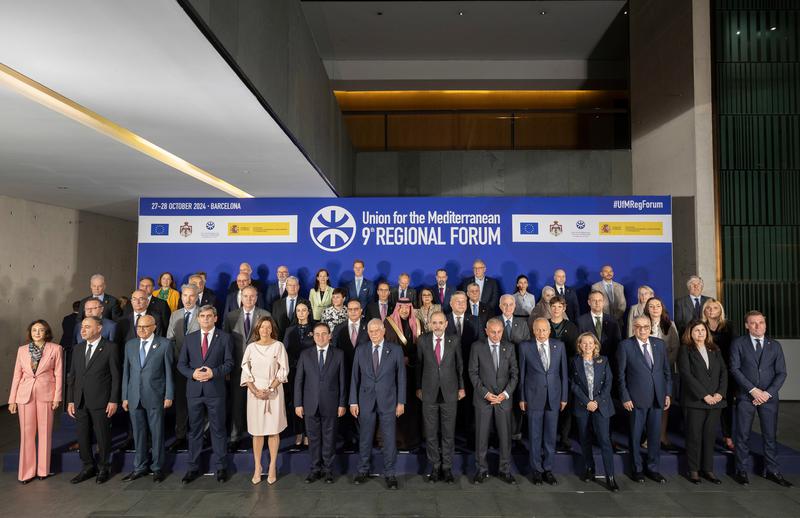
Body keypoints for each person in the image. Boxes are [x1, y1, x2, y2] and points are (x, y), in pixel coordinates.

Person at [730, 311, 791, 487]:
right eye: (753, 323)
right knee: (742, 435)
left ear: (765, 324)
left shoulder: (775, 345)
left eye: (761, 322)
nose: (758, 326)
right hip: (745, 396)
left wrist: (766, 393)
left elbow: (781, 373)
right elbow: (734, 369)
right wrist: (753, 390)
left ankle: (772, 470)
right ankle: (741, 470)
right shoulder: (739, 343)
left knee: (770, 435)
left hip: (768, 398)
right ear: (746, 325)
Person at [178, 305, 234, 484]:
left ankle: (221, 468)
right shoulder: (189, 338)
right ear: (198, 318)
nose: (206, 319)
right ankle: (192, 468)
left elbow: (229, 363)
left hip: (215, 391)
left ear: (215, 318)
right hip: (194, 391)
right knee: (194, 430)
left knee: (218, 429)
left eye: (209, 316)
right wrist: (193, 374)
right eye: (202, 316)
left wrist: (214, 372)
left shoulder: (224, 338)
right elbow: (181, 364)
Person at [350, 319, 406, 490]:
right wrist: (353, 401)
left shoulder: (395, 350)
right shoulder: (360, 350)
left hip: (389, 401)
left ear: (383, 331)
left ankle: (390, 474)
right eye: (371, 331)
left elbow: (402, 378)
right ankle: (363, 470)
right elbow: (354, 377)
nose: (373, 334)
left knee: (389, 439)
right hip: (365, 401)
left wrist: (401, 402)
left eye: (377, 330)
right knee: (365, 437)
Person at [617, 316, 672, 483]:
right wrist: (625, 397)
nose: (642, 330)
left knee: (655, 437)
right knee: (635, 436)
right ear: (634, 328)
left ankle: (653, 469)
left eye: (646, 326)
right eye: (638, 327)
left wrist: (667, 394)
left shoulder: (659, 345)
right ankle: (637, 469)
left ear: (651, 328)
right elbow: (620, 376)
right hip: (635, 399)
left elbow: (666, 372)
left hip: (657, 398)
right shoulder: (625, 346)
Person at [66, 316, 120, 484]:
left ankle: (104, 467)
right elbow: (72, 377)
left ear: (99, 329)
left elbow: (116, 377)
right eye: (82, 327)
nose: (83, 330)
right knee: (82, 436)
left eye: (88, 327)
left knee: (102, 435)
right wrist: (70, 400)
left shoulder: (110, 348)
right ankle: (88, 466)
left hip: (101, 400)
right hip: (80, 400)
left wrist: (113, 400)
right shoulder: (78, 349)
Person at [8, 320, 63, 483]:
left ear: (46, 332)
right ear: (30, 332)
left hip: (46, 393)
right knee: (26, 434)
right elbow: (16, 375)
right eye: (34, 330)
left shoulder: (55, 348)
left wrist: (57, 397)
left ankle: (43, 470)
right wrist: (12, 399)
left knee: (45, 432)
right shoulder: (22, 350)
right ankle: (26, 472)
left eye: (41, 330)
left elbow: (59, 374)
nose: (37, 333)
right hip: (24, 395)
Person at [121, 315, 173, 483]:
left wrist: (169, 395)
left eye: (145, 327)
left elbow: (169, 373)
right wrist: (125, 396)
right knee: (138, 433)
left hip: (156, 396)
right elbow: (126, 373)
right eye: (139, 327)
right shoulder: (130, 345)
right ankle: (140, 467)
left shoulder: (164, 344)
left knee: (157, 433)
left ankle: (157, 468)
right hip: (134, 396)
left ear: (154, 327)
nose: (141, 330)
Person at [295, 323, 346, 484]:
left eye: (324, 334)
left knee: (329, 438)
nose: (321, 337)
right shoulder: (305, 354)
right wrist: (298, 404)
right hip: (310, 404)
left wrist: (342, 404)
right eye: (317, 334)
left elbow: (343, 381)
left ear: (330, 336)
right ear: (313, 336)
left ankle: (328, 470)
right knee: (314, 438)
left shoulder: (339, 354)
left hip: (331, 403)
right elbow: (299, 381)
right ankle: (315, 469)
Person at [416, 311, 464, 483]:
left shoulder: (454, 340)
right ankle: (435, 467)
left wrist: (461, 387)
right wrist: (418, 387)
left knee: (448, 433)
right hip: (428, 392)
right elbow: (419, 366)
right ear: (429, 324)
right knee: (430, 433)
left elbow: (459, 365)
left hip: (450, 392)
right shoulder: (422, 340)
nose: (437, 326)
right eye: (434, 323)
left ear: (446, 324)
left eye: (440, 322)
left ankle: (447, 468)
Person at [519, 318, 568, 485]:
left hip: (554, 397)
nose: (541, 333)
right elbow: (522, 375)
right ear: (533, 331)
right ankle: (536, 470)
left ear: (549, 331)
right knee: (534, 435)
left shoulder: (559, 346)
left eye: (544, 330)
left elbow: (564, 373)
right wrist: (522, 398)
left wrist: (564, 397)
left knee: (550, 436)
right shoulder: (525, 347)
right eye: (538, 330)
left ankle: (548, 469)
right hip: (533, 397)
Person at [469, 318, 518, 484]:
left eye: (499, 332)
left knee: (505, 437)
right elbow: (473, 373)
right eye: (493, 332)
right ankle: (481, 470)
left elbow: (514, 375)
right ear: (486, 330)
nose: (496, 335)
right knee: (481, 437)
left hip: (503, 400)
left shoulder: (510, 347)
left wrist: (505, 394)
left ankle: (505, 470)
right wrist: (485, 394)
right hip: (484, 399)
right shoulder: (477, 347)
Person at [241, 316, 288, 485]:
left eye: (268, 327)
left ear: (272, 329)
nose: (265, 330)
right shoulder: (251, 348)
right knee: (258, 431)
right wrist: (255, 391)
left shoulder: (278, 346)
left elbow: (283, 371)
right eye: (262, 327)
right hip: (255, 394)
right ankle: (257, 467)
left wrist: (269, 389)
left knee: (273, 430)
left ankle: (273, 466)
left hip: (273, 392)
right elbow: (246, 372)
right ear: (257, 329)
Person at [222, 285, 270, 451]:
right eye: (246, 296)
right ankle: (235, 437)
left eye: (252, 296)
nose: (249, 299)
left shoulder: (265, 315)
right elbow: (225, 344)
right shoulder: (230, 316)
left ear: (256, 298)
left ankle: (258, 436)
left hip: (260, 371)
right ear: (241, 297)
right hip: (237, 369)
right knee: (237, 404)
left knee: (258, 405)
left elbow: (270, 342)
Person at [678, 320, 726, 485]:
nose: (700, 333)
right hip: (695, 401)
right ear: (690, 333)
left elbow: (723, 372)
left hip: (716, 401)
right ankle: (694, 470)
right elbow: (686, 374)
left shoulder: (715, 349)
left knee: (710, 436)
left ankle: (708, 470)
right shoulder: (685, 350)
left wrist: (720, 393)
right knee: (694, 436)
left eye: (703, 330)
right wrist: (704, 395)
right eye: (696, 330)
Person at [570, 332, 618, 492]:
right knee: (584, 439)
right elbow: (573, 385)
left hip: (601, 405)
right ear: (580, 345)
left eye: (591, 343)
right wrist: (587, 402)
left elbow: (608, 383)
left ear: (595, 345)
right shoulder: (575, 361)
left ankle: (610, 476)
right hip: (582, 405)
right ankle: (590, 469)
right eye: (584, 343)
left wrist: (596, 402)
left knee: (605, 440)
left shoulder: (603, 361)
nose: (588, 346)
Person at [165, 283, 201, 453]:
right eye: (185, 295)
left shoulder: (204, 314)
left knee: (198, 403)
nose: (187, 299)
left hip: (198, 368)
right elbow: (170, 340)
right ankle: (180, 436)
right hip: (179, 367)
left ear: (197, 297)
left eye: (191, 296)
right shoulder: (175, 315)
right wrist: (180, 360)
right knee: (180, 403)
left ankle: (197, 436)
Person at [383, 298, 423, 451]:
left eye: (408, 307)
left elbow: (422, 347)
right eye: (402, 307)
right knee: (396, 406)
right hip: (394, 373)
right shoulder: (388, 323)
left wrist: (410, 359)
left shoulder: (418, 323)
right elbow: (385, 346)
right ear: (397, 308)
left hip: (413, 372)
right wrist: (400, 359)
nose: (405, 310)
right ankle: (397, 441)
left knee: (412, 406)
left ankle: (412, 441)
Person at [331, 300, 368, 452]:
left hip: (364, 375)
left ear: (361, 310)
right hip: (345, 374)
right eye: (350, 309)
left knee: (363, 408)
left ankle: (362, 440)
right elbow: (335, 352)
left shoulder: (368, 328)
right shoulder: (339, 329)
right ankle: (348, 439)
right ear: (347, 311)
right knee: (346, 406)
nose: (353, 312)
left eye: (356, 309)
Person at [644, 296, 680, 452]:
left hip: (665, 372)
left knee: (664, 404)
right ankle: (648, 437)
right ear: (647, 309)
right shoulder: (642, 324)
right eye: (651, 306)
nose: (654, 309)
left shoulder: (670, 325)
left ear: (662, 308)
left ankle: (662, 436)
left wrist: (664, 365)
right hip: (645, 372)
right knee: (647, 404)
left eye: (657, 306)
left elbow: (675, 348)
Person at [701, 298, 736, 450]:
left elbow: (735, 350)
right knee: (706, 405)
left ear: (720, 310)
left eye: (715, 308)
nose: (711, 310)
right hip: (706, 372)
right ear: (704, 311)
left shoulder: (729, 326)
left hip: (726, 371)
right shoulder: (700, 326)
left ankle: (728, 437)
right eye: (708, 308)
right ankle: (705, 438)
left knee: (726, 406)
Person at [549, 296, 579, 452]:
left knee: (566, 405)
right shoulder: (544, 325)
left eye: (559, 307)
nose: (556, 310)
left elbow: (576, 351)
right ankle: (550, 438)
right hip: (548, 372)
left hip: (566, 371)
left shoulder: (571, 327)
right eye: (553, 307)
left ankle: (565, 438)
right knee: (550, 406)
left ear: (564, 308)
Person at [284, 301, 315, 449]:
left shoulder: (315, 328)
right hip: (294, 371)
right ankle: (298, 432)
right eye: (298, 311)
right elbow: (284, 352)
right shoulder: (290, 330)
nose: (301, 313)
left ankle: (309, 433)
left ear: (308, 312)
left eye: (304, 310)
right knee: (295, 402)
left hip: (311, 372)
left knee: (309, 402)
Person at [577, 290, 622, 360]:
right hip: (589, 360)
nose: (597, 303)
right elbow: (578, 344)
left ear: (603, 302)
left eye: (600, 300)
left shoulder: (613, 321)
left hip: (609, 361)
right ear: (589, 302)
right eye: (594, 300)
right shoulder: (581, 321)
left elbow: (618, 343)